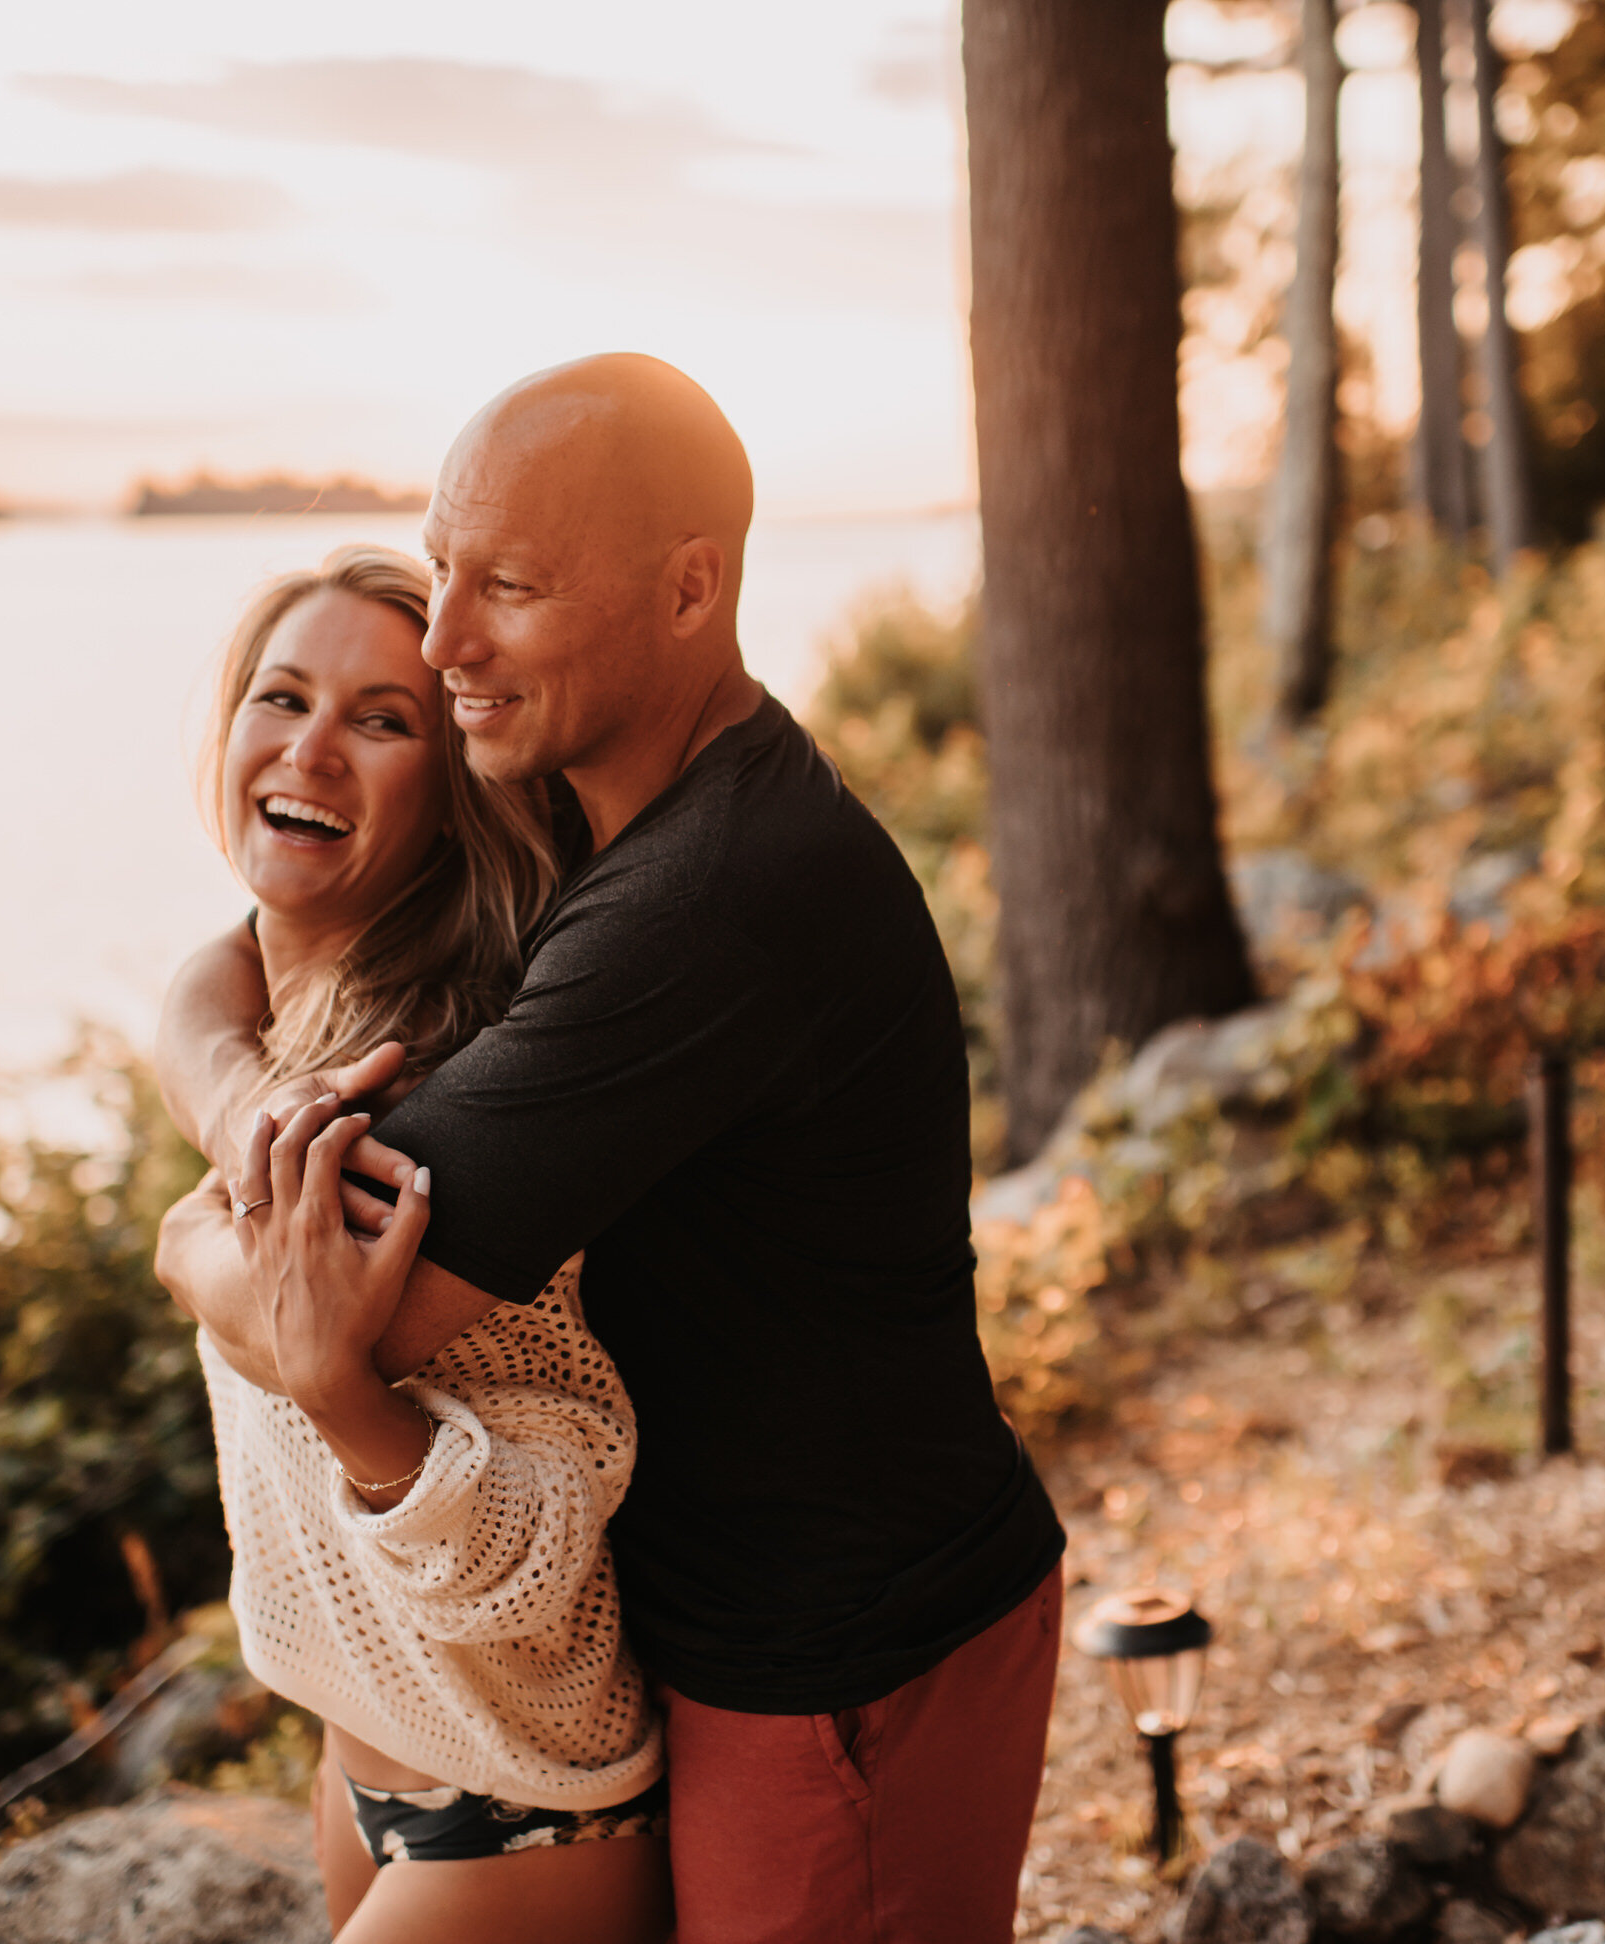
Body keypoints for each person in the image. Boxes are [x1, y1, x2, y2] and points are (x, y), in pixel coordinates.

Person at [157, 354, 1069, 1944]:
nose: (449, 646)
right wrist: (230, 1089)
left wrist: (179, 1239)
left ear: (688, 590)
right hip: (713, 1646)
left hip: (839, 1661)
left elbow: (365, 1296)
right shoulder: (627, 819)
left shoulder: (705, 900)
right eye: (442, 571)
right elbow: (237, 954)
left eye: (505, 586)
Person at [154, 542, 674, 1944]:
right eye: (282, 697)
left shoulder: (431, 1106)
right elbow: (206, 979)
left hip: (523, 1811)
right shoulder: (281, 1036)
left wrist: (334, 1390)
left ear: (451, 797)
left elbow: (547, 1543)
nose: (312, 748)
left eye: (382, 721)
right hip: (364, 1763)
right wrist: (205, 1213)